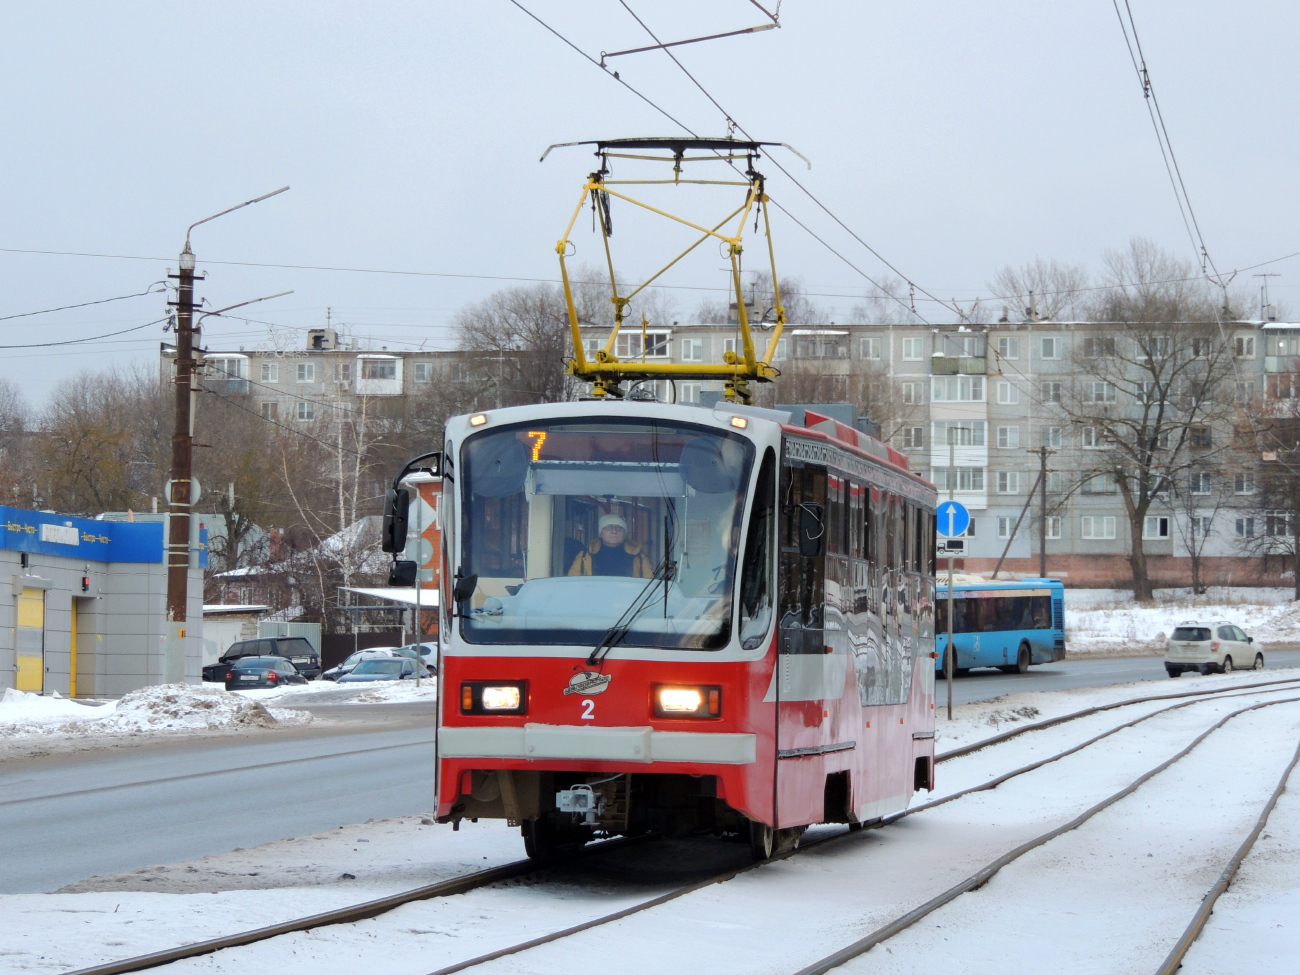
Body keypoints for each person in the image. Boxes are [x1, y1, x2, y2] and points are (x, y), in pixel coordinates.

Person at [568, 514, 654, 578]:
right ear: (601, 532)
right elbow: (573, 582)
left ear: (625, 533)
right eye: (609, 527)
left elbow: (650, 583)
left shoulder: (639, 556)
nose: (614, 531)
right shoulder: (585, 555)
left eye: (619, 528)